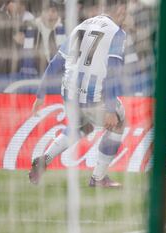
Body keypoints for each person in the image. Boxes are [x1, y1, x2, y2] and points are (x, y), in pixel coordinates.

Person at [29, 0, 128, 188]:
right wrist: (109, 108)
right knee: (119, 122)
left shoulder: (81, 26)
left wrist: (40, 95)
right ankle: (98, 178)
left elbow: (55, 62)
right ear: (120, 9)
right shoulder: (117, 32)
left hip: (69, 93)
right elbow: (114, 71)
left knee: (82, 125)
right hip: (93, 96)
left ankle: (45, 159)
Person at [18, 0, 66, 77]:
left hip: (56, 73)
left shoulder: (63, 29)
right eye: (47, 11)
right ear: (41, 13)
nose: (50, 14)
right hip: (35, 71)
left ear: (58, 14)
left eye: (53, 11)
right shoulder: (31, 27)